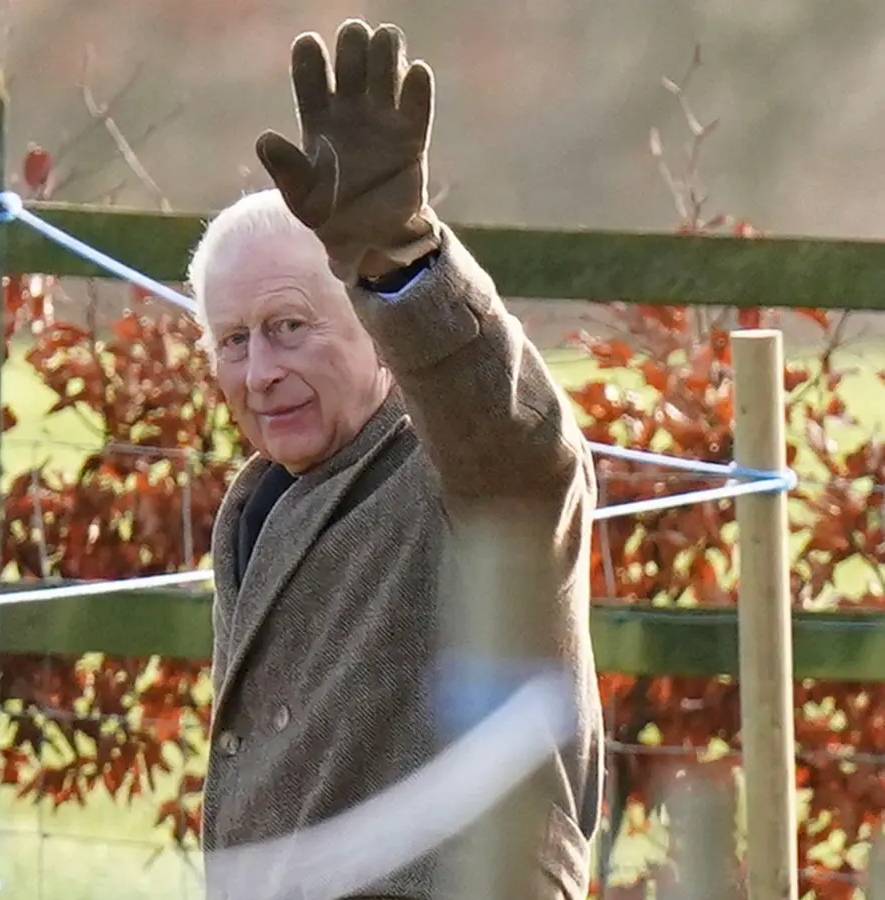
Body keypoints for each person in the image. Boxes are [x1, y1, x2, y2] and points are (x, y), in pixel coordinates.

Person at [187, 18, 603, 900]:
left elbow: (518, 444)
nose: (261, 373)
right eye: (234, 341)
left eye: (290, 327)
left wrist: (400, 263)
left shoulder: (456, 473)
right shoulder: (259, 506)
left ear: (377, 336)